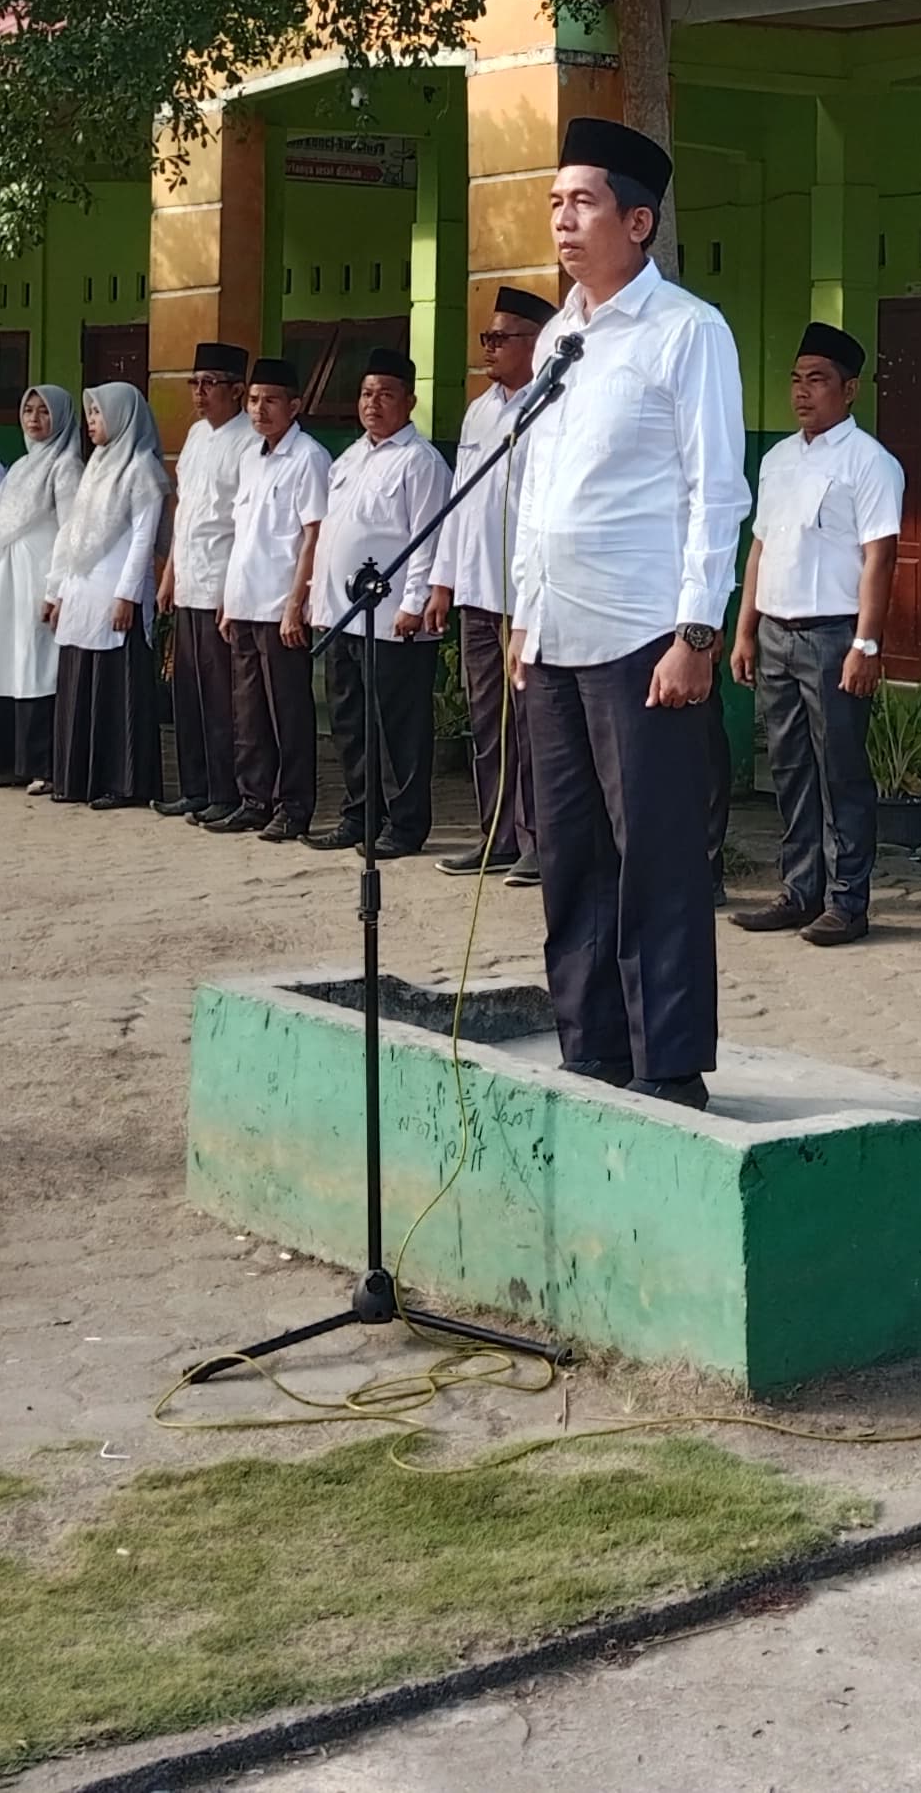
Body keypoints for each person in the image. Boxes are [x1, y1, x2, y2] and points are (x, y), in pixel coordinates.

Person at [510, 117, 750, 1107]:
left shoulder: (688, 333)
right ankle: (592, 1046)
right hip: (556, 635)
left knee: (654, 857)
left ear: (638, 221)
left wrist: (697, 631)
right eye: (556, 203)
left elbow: (715, 489)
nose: (564, 220)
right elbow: (537, 485)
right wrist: (523, 611)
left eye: (585, 203)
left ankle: (668, 1064)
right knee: (568, 854)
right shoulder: (559, 339)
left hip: (645, 636)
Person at [730, 323, 905, 947]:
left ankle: (848, 902)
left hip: (834, 639)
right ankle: (799, 890)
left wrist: (867, 644)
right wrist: (745, 631)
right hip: (776, 633)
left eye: (819, 381)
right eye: (797, 381)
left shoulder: (871, 464)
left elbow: (880, 559)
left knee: (842, 772)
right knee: (789, 767)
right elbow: (759, 550)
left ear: (850, 389)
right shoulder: (777, 460)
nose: (803, 393)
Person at [427, 290, 553, 879]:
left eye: (501, 339)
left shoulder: (551, 405)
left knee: (532, 725)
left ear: (536, 343)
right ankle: (496, 834)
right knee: (488, 723)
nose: (489, 349)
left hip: (527, 598)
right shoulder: (480, 411)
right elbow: (459, 502)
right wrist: (442, 583)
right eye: (486, 339)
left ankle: (538, 843)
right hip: (479, 593)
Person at [306, 350, 450, 857]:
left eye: (386, 395)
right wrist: (319, 607)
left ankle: (405, 825)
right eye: (367, 394)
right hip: (344, 618)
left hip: (394, 620)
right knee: (350, 721)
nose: (373, 404)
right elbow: (331, 538)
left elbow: (428, 537)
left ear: (409, 402)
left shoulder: (421, 461)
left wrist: (415, 602)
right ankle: (360, 813)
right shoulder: (350, 458)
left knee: (397, 728)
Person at [209, 357, 332, 841]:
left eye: (271, 401)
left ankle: (293, 805)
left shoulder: (308, 457)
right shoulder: (250, 456)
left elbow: (313, 535)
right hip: (244, 601)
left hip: (281, 608)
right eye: (254, 400)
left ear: (295, 405)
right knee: (248, 712)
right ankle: (254, 799)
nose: (259, 410)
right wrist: (227, 599)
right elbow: (243, 534)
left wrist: (295, 604)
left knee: (289, 714)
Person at [48, 381, 170, 806]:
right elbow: (75, 535)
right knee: (81, 682)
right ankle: (77, 778)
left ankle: (123, 783)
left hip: (117, 594)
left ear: (122, 416)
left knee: (118, 690)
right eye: (90, 415)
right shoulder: (96, 465)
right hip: (82, 590)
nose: (92, 423)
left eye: (98, 414)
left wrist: (127, 596)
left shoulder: (142, 470)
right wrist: (61, 591)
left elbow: (142, 539)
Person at [158, 342, 253, 821]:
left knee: (223, 700)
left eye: (209, 383)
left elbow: (242, 525)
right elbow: (186, 512)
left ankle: (226, 793)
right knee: (188, 695)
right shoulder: (195, 436)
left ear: (237, 390)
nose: (199, 393)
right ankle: (194, 787)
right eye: (193, 383)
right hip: (188, 579)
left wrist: (230, 593)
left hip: (221, 582)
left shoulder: (248, 440)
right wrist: (169, 574)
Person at [0, 380, 80, 787]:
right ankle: (0, 760)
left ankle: (42, 766)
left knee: (36, 665)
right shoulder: (19, 466)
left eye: (44, 411)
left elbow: (70, 532)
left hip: (38, 578)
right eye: (28, 411)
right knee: (2, 660)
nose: (35, 419)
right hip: (6, 579)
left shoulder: (66, 466)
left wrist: (57, 589)